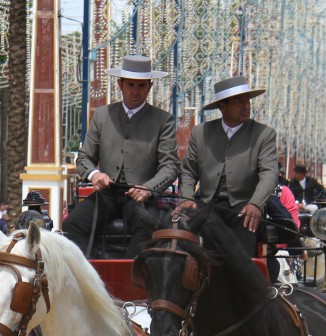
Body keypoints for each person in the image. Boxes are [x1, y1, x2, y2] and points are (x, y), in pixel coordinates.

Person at [62, 54, 179, 256]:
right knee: (73, 225)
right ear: (120, 84)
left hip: (140, 197)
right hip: (106, 194)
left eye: (141, 86)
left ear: (149, 87)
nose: (135, 91)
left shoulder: (163, 120)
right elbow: (84, 157)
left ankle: (128, 275)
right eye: (131, 84)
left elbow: (170, 166)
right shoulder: (102, 115)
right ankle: (92, 271)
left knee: (149, 228)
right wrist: (94, 175)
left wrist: (148, 188)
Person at [177, 75, 278, 256]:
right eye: (239, 102)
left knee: (247, 220)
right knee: (188, 223)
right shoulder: (201, 133)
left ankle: (243, 279)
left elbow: (269, 173)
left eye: (247, 101)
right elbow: (188, 172)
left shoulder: (263, 134)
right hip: (208, 203)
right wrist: (187, 198)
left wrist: (255, 204)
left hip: (244, 205)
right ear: (222, 106)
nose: (246, 106)